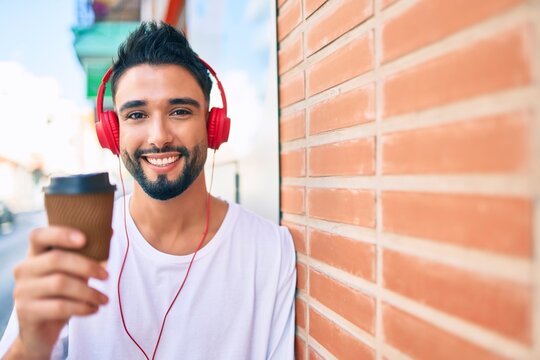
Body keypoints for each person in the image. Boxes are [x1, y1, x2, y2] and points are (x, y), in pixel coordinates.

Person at [0, 21, 296, 359]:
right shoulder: (73, 247)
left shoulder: (271, 251)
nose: (158, 136)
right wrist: (30, 346)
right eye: (137, 114)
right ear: (112, 133)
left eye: (180, 111)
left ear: (213, 126)